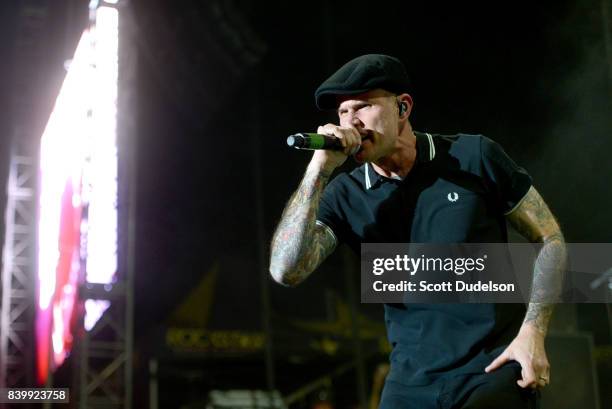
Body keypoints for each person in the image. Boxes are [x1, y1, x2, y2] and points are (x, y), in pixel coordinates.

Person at [269, 54, 566, 409]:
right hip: (410, 383)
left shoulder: (474, 156)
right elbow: (285, 270)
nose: (351, 122)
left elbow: (550, 239)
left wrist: (533, 331)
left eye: (363, 106)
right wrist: (319, 170)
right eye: (343, 112)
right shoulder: (346, 194)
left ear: (403, 107)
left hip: (491, 370)